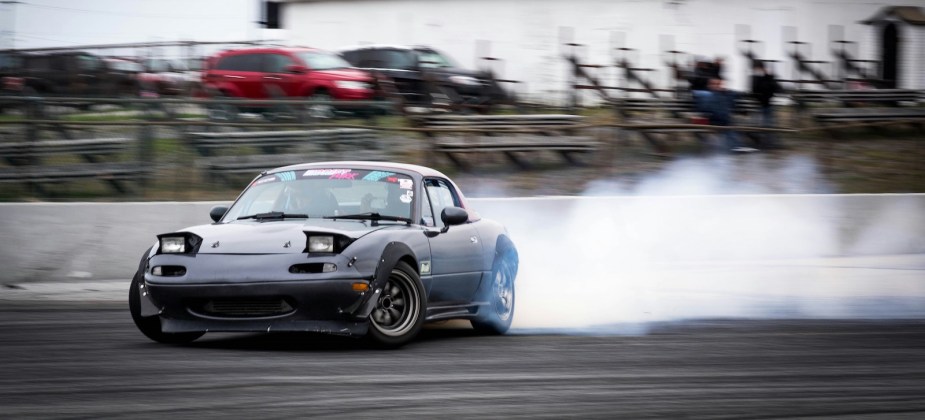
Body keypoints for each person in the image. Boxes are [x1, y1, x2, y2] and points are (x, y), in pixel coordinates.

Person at [700, 78, 757, 153]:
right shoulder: (707, 96)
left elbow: (737, 95)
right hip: (714, 122)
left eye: (718, 84)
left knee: (733, 133)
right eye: (714, 84)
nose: (717, 86)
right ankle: (735, 149)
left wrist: (744, 93)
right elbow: (706, 110)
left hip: (726, 122)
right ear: (709, 85)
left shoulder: (726, 94)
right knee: (730, 133)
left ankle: (736, 149)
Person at [750, 61, 783, 148]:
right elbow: (753, 91)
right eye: (755, 69)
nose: (756, 71)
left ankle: (769, 144)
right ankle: (758, 143)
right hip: (758, 105)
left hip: (767, 105)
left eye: (758, 68)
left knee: (768, 126)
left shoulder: (769, 77)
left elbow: (778, 88)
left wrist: (768, 77)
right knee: (754, 126)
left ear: (762, 68)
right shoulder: (755, 78)